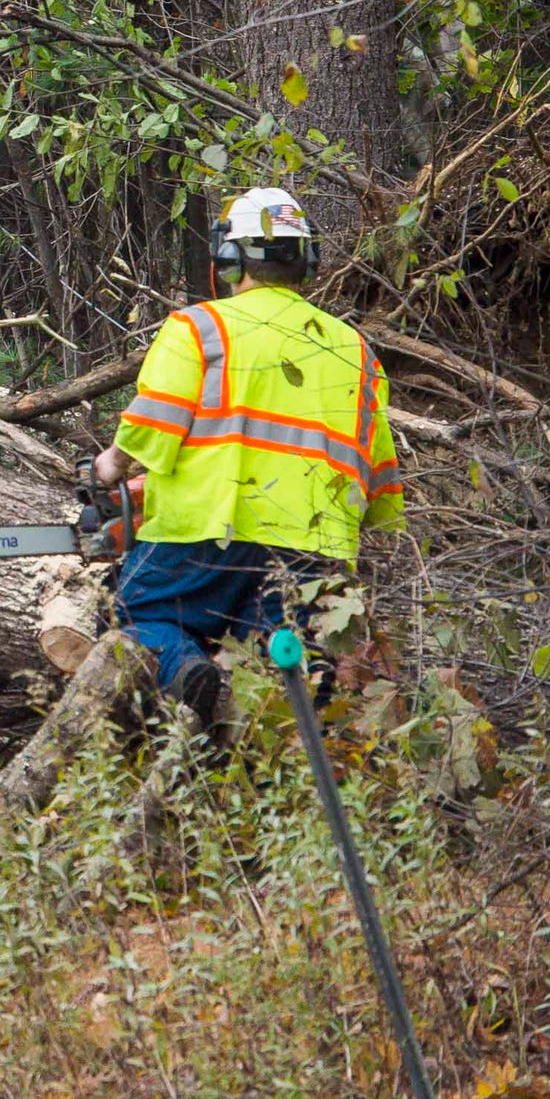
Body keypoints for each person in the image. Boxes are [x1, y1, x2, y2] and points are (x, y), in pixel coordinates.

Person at [92, 187, 403, 719]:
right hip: (313, 546)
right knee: (284, 666)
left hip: (209, 529)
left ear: (229, 257)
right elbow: (379, 478)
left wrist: (110, 466)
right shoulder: (355, 349)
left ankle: (185, 674)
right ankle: (280, 770)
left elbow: (154, 421)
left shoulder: (201, 328)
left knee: (131, 613)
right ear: (306, 257)